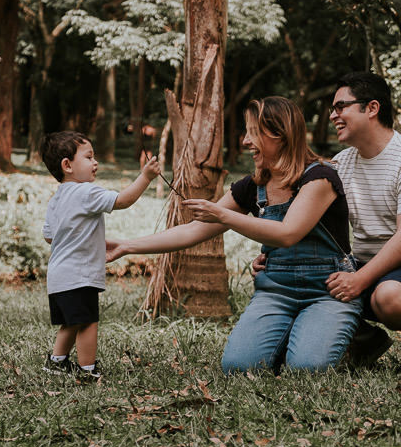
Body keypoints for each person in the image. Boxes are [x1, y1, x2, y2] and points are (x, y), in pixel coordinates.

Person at [106, 97, 361, 373]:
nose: (245, 142)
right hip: (276, 290)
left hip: (328, 288)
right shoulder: (254, 185)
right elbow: (194, 230)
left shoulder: (319, 177)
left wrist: (223, 215)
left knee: (308, 369)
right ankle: (301, 332)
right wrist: (127, 246)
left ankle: (353, 336)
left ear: (279, 134)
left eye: (252, 133)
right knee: (238, 367)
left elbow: (288, 234)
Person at [255, 72, 401, 367]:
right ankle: (364, 339)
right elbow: (305, 219)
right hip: (360, 262)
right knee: (304, 279)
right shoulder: (342, 163)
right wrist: (273, 257)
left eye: (341, 107)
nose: (333, 115)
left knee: (389, 297)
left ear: (372, 108)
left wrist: (359, 280)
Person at [40, 131, 161, 379]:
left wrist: (83, 237)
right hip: (79, 274)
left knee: (72, 321)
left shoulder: (57, 198)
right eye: (89, 157)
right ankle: (87, 369)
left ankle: (57, 362)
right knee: (87, 322)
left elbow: (50, 236)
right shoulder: (86, 192)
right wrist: (145, 177)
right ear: (67, 165)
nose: (95, 163)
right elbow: (123, 200)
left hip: (59, 275)